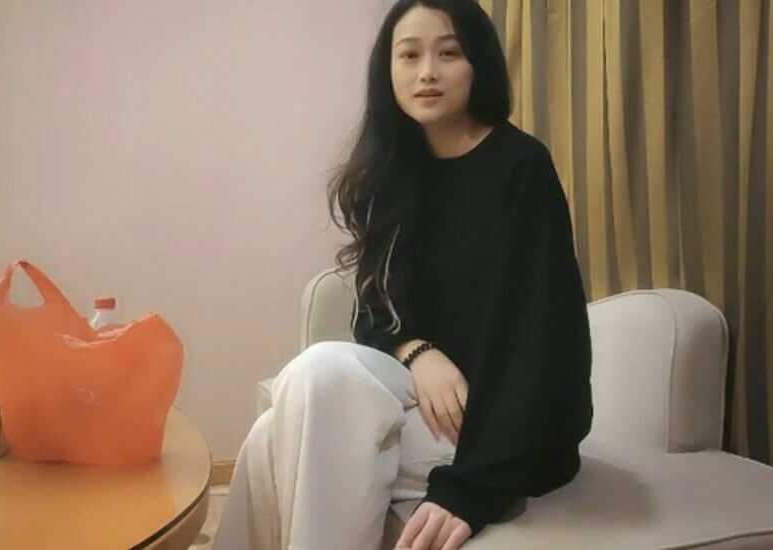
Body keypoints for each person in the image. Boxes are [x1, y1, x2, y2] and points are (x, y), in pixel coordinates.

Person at [213, 1, 593, 549]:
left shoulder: (521, 167)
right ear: (386, 70)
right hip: (422, 399)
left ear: (478, 63)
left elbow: (540, 337)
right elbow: (373, 313)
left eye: (449, 54)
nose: (427, 73)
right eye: (409, 56)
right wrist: (417, 352)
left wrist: (472, 489)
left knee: (281, 425)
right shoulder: (392, 170)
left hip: (500, 424)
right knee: (312, 381)